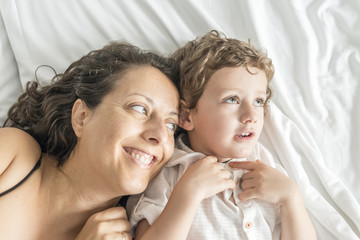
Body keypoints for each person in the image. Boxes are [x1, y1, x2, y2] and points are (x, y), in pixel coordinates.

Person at [127, 30, 317, 240]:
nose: (251, 116)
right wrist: (188, 195)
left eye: (258, 101)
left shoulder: (266, 165)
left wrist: (291, 199)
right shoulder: (170, 174)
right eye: (232, 99)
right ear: (186, 115)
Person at [0, 41, 180, 240]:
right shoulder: (14, 154)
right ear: (81, 116)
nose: (161, 135)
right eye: (139, 108)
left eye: (171, 125)